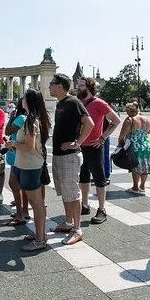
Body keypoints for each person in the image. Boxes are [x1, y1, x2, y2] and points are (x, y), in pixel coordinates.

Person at [48, 74, 94, 245]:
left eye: (51, 84)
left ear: (60, 86)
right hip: (59, 155)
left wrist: (77, 143)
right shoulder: (60, 103)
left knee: (73, 193)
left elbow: (89, 123)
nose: (49, 87)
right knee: (65, 191)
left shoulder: (73, 102)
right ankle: (68, 223)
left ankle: (77, 229)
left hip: (69, 157)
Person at [5, 89, 51, 251]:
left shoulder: (31, 121)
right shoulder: (34, 119)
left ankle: (40, 240)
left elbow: (29, 147)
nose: (21, 100)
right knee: (36, 203)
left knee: (36, 204)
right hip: (28, 164)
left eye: (24, 98)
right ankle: (40, 234)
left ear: (29, 101)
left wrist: (13, 144)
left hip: (30, 166)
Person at [76, 77, 121, 224]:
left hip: (94, 146)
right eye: (78, 85)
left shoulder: (99, 103)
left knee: (99, 178)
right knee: (83, 176)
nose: (78, 88)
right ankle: (85, 204)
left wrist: (103, 138)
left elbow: (116, 120)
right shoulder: (79, 103)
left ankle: (102, 209)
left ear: (89, 87)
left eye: (81, 86)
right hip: (81, 146)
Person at [119, 102, 150, 193]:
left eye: (127, 111)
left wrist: (120, 145)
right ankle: (142, 186)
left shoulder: (129, 120)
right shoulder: (146, 119)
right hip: (146, 145)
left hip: (134, 146)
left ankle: (135, 187)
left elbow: (122, 134)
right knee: (144, 165)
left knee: (135, 166)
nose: (126, 113)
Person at [5, 98, 30, 225]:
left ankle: (20, 214)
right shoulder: (29, 118)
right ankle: (24, 211)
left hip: (17, 154)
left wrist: (10, 118)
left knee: (14, 183)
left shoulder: (20, 118)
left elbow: (7, 131)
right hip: (22, 155)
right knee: (23, 185)